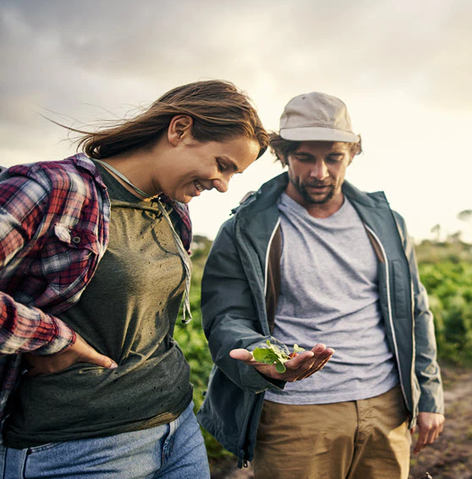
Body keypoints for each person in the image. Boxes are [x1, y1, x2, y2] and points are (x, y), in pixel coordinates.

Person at [0, 80, 270, 479]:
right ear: (180, 130)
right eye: (222, 164)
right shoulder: (52, 187)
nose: (223, 183)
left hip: (177, 431)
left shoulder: (173, 210)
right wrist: (52, 337)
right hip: (74, 449)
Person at [198, 91, 445, 478]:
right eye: (305, 157)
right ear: (283, 155)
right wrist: (267, 358)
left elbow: (415, 308)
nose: (320, 173)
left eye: (333, 157)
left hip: (386, 408)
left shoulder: (387, 223)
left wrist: (428, 397)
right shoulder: (244, 228)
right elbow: (225, 319)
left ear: (351, 154)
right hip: (294, 415)